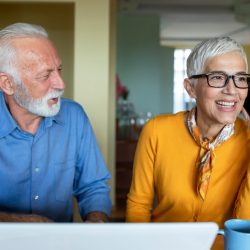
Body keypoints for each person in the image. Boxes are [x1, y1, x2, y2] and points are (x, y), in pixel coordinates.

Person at [126, 36, 250, 228]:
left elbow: (245, 225)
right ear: (191, 88)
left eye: (241, 78)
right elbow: (138, 206)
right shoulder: (157, 131)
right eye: (217, 77)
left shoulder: (247, 139)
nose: (232, 90)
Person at [0, 22, 112, 222]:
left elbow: (93, 187)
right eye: (45, 75)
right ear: (8, 84)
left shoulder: (74, 116)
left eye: (59, 69)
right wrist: (18, 222)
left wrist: (96, 223)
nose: (61, 84)